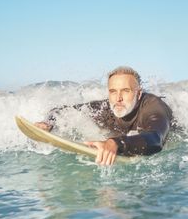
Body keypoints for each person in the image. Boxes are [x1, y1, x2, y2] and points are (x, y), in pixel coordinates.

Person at [35, 66, 173, 166]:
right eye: (113, 91)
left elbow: (156, 139)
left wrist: (117, 143)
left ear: (138, 93)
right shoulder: (105, 108)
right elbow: (62, 111)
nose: (118, 98)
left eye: (126, 91)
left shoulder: (153, 107)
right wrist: (49, 123)